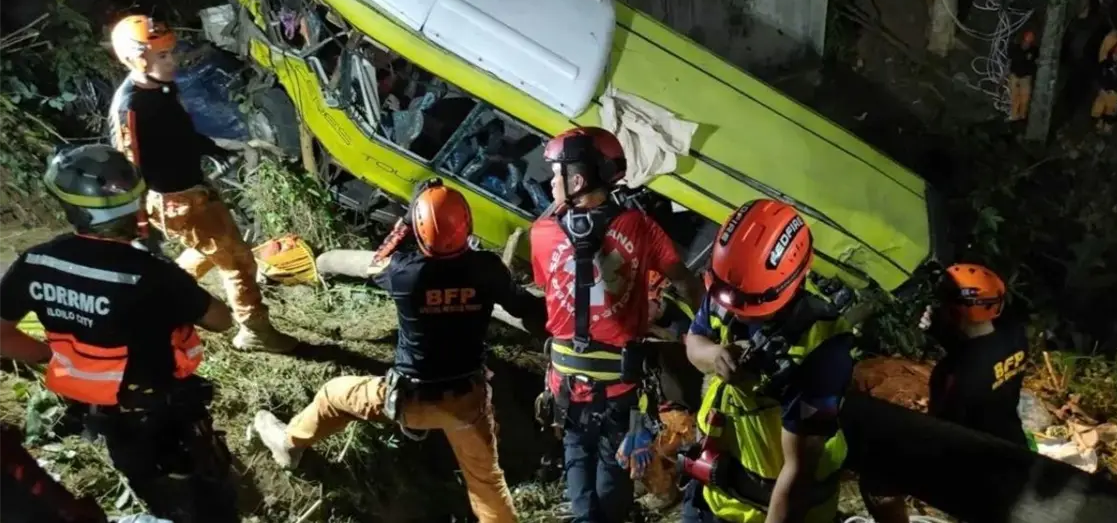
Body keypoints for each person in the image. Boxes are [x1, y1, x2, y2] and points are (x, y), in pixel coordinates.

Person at [251, 180, 545, 523]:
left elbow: (376, 262)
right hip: (467, 403)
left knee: (333, 394)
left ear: (420, 233)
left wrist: (405, 221)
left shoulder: (405, 274)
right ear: (467, 224)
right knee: (486, 483)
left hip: (411, 400)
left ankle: (289, 444)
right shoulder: (487, 269)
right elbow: (523, 306)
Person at [0, 144, 239, 523]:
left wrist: (50, 356)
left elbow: (2, 335)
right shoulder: (152, 273)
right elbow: (221, 319)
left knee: (147, 482)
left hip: (103, 413)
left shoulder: (35, 263)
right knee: (206, 487)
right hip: (166, 410)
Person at [530, 126, 703, 523]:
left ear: (577, 179)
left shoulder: (541, 234)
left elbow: (551, 286)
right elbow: (683, 279)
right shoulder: (640, 228)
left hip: (566, 386)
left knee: (577, 460)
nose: (551, 181)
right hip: (620, 386)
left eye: (557, 174)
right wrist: (705, 333)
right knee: (613, 471)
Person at [106, 14, 296, 353]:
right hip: (175, 200)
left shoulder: (165, 87)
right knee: (237, 262)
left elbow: (180, 132)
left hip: (193, 188)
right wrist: (139, 231)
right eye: (161, 56)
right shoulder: (130, 106)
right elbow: (128, 170)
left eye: (171, 52)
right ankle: (254, 330)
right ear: (136, 58)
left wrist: (213, 150)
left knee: (207, 250)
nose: (172, 60)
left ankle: (163, 299)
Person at [680, 199, 852, 523]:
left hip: (774, 508)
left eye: (750, 303)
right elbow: (694, 342)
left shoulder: (822, 351)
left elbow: (798, 472)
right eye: (732, 300)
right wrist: (714, 355)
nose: (737, 311)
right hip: (718, 491)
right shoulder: (730, 287)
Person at [861, 263, 1030, 523]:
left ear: (955, 313)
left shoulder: (953, 375)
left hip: (973, 467)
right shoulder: (1016, 336)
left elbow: (940, 431)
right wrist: (941, 330)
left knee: (876, 481)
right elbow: (980, 351)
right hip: (1012, 443)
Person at [1092, 42, 1117, 133]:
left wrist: (1114, 90)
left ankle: (1107, 129)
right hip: (1103, 91)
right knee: (1097, 108)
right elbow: (1097, 74)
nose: (1115, 56)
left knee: (1111, 112)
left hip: (1114, 94)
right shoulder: (1106, 64)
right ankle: (1097, 126)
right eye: (1115, 53)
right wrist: (1099, 87)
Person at [1008, 30, 1039, 122]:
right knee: (1014, 97)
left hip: (1026, 77)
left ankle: (1022, 116)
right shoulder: (1015, 48)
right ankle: (1013, 116)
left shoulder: (1034, 51)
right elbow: (1010, 61)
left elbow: (1037, 62)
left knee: (1024, 99)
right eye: (1026, 40)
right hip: (1015, 75)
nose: (1027, 43)